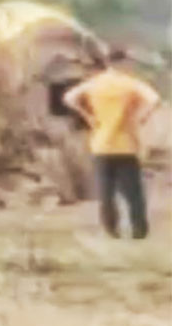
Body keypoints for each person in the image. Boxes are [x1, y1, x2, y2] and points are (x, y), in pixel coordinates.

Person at [63, 50, 161, 240]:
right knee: (133, 192)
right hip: (126, 144)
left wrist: (88, 115)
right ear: (123, 62)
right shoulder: (130, 83)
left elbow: (69, 97)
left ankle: (111, 230)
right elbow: (154, 99)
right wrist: (141, 116)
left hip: (101, 144)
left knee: (105, 192)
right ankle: (138, 230)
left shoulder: (96, 83)